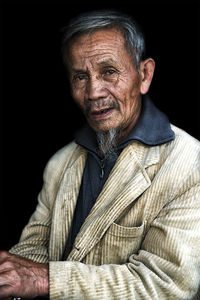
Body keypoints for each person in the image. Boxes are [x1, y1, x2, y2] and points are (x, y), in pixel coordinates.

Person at [0, 10, 200, 300]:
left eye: (109, 72)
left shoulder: (190, 162)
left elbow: (165, 284)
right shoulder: (61, 162)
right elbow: (32, 251)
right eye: (81, 76)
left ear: (144, 75)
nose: (93, 92)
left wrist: (46, 278)